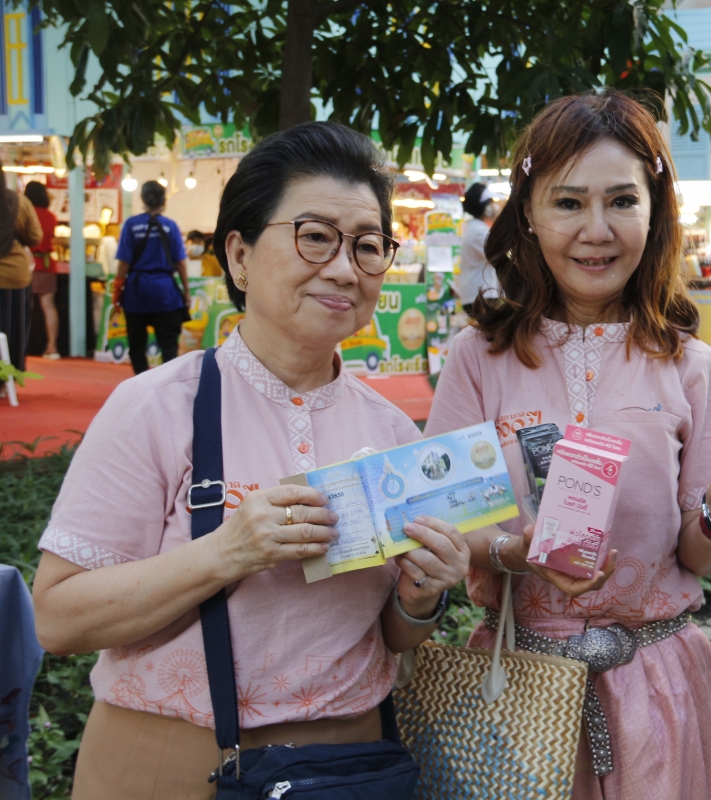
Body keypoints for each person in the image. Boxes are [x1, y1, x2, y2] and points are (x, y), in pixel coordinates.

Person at [30, 122, 471, 800]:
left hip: (349, 770)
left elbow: (387, 635)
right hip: (171, 766)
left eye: (368, 245)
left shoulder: (389, 429)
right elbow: (58, 618)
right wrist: (227, 552)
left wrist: (420, 599)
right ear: (239, 255)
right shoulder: (156, 406)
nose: (344, 268)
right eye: (315, 236)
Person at [425, 91, 711, 800]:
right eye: (568, 203)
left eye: (622, 201)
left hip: (659, 693)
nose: (597, 230)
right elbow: (439, 520)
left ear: (654, 212)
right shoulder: (478, 358)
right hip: (515, 687)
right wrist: (515, 551)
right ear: (530, 214)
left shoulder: (693, 366)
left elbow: (699, 554)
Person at [113, 181, 190, 374]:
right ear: (164, 200)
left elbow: (124, 263)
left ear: (142, 199)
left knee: (137, 343)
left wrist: (117, 289)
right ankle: (169, 382)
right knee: (168, 344)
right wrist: (186, 292)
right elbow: (181, 263)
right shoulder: (171, 226)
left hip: (136, 291)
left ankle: (141, 380)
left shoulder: (131, 225)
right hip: (166, 293)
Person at [0, 165, 43, 373]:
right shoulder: (19, 202)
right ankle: (8, 378)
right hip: (14, 276)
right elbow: (35, 237)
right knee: (12, 330)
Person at [24, 181, 61, 359]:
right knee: (49, 307)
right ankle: (52, 347)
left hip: (27, 263)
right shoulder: (51, 216)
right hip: (47, 264)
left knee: (24, 307)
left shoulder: (26, 212)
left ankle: (22, 346)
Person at [455, 183, 500, 315]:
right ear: (485, 207)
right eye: (491, 202)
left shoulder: (475, 227)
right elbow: (498, 254)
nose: (495, 206)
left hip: (477, 294)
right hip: (481, 295)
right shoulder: (479, 231)